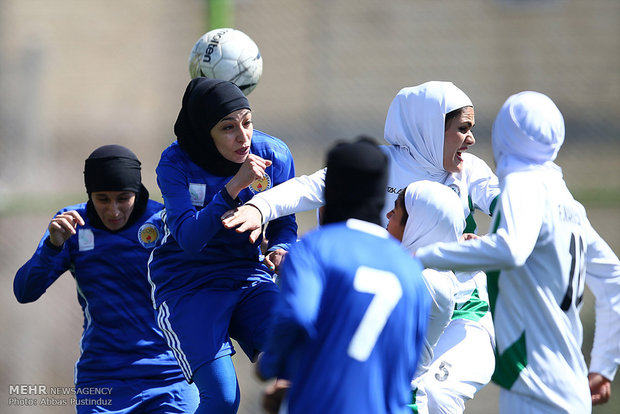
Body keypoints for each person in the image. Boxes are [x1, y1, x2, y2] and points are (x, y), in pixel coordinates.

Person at [222, 80, 498, 411]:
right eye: (462, 129)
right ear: (429, 128)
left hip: (461, 312)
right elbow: (311, 187)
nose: (471, 140)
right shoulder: (380, 165)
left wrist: (491, 246)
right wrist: (258, 207)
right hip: (402, 296)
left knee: (432, 396)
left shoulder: (472, 171)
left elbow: (510, 210)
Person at [415, 91, 620, 413]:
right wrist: (604, 366)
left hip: (533, 381)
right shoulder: (567, 202)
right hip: (570, 379)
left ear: (505, 135)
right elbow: (613, 276)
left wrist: (424, 257)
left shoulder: (523, 184)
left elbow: (511, 249)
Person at [147, 77, 298, 414]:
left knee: (297, 362)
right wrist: (232, 189)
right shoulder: (175, 163)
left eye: (247, 122)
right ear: (205, 131)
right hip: (189, 284)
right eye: (228, 127)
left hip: (248, 276)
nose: (243, 136)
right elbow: (188, 239)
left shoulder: (273, 154)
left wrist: (280, 249)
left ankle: (270, 357)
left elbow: (285, 224)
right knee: (223, 401)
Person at [13, 144, 199, 413]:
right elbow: (24, 291)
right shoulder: (71, 225)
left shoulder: (164, 222)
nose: (113, 211)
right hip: (102, 380)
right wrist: (52, 247)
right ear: (90, 195)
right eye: (102, 199)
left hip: (170, 375)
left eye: (123, 198)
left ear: (137, 192)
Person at [256, 137, 430, 414]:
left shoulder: (314, 249)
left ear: (331, 191)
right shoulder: (408, 267)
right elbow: (411, 357)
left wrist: (272, 364)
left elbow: (297, 316)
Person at [385, 180, 494, 413]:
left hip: (466, 321)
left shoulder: (431, 281)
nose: (387, 215)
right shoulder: (419, 263)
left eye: (396, 211)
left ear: (416, 225)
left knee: (438, 393)